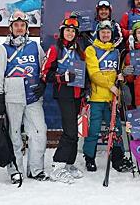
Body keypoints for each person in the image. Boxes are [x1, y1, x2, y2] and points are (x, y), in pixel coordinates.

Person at [0, 10, 48, 185]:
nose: (19, 28)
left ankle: (35, 169)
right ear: (11, 27)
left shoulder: (35, 46)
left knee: (39, 132)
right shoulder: (3, 49)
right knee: (14, 134)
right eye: (16, 25)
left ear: (26, 27)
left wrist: (43, 83)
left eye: (22, 25)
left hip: (33, 96)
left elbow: (44, 67)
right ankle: (15, 169)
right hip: (12, 96)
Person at [41, 16, 86, 183]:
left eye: (73, 31)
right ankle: (58, 165)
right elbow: (44, 74)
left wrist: (85, 91)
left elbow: (84, 73)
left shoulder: (79, 51)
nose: (70, 33)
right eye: (67, 30)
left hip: (77, 94)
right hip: (64, 93)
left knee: (74, 130)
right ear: (62, 32)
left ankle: (68, 163)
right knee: (70, 130)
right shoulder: (55, 49)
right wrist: (61, 77)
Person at [82, 20, 132, 173]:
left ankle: (118, 158)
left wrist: (121, 77)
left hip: (112, 98)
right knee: (94, 129)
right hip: (97, 97)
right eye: (102, 32)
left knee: (116, 128)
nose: (105, 34)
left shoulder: (115, 52)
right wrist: (110, 86)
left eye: (108, 32)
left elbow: (116, 71)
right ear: (98, 33)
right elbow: (94, 74)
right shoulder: (91, 50)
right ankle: (89, 158)